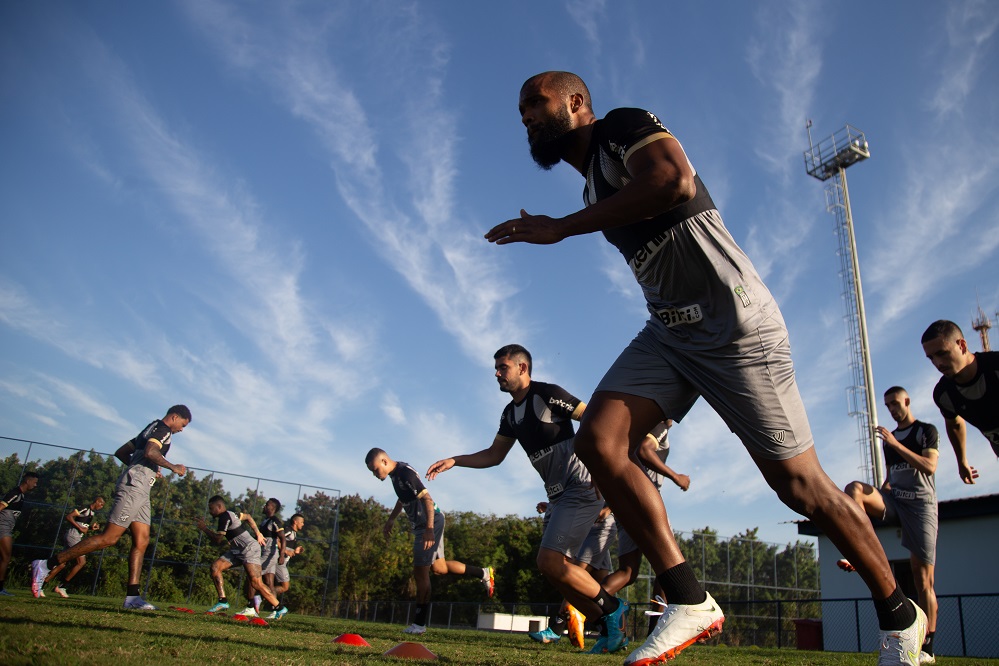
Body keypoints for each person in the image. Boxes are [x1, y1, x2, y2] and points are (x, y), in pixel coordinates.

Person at [485, 71, 925, 665]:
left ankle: (900, 616)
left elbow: (673, 180)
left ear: (577, 103)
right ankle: (689, 600)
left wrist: (561, 229)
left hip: (734, 323)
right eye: (521, 110)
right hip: (670, 332)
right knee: (599, 439)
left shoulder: (622, 127)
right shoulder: (592, 187)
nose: (526, 117)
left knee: (802, 488)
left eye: (535, 104)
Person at [426, 344, 630, 654]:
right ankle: (606, 627)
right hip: (559, 495)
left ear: (522, 368)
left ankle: (613, 609)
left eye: (502, 367)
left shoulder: (547, 394)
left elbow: (593, 419)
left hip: (582, 486)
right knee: (550, 568)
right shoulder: (510, 414)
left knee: (550, 561)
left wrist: (602, 471)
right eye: (496, 368)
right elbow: (494, 455)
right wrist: (455, 460)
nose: (497, 373)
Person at [30, 405, 191, 609]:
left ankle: (132, 598)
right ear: (175, 417)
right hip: (135, 486)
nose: (182, 430)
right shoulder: (164, 430)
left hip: (141, 488)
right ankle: (46, 564)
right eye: (182, 425)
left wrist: (143, 467)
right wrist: (172, 467)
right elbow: (151, 451)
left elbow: (122, 452)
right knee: (109, 538)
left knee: (142, 541)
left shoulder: (150, 428)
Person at [843, 387, 940, 664]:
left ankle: (927, 648)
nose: (892, 409)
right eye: (887, 405)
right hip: (896, 501)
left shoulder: (925, 431)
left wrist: (896, 443)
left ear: (907, 401)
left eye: (895, 403)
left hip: (921, 506)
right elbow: (891, 476)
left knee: (923, 580)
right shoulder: (890, 440)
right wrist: (882, 492)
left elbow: (929, 466)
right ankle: (858, 548)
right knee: (856, 489)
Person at [366, 448, 494, 635]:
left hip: (427, 524)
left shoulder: (405, 473)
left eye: (375, 470)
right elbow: (403, 498)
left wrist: (428, 530)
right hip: (428, 524)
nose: (375, 475)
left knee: (420, 572)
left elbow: (427, 499)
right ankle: (483, 573)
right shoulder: (396, 474)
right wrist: (391, 518)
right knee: (439, 568)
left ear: (384, 461)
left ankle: (419, 624)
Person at [921, 319, 998, 484]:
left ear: (962, 345)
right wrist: (962, 461)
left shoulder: (995, 367)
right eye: (931, 358)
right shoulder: (944, 394)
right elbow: (954, 424)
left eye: (942, 353)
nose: (937, 363)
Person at [197, 495, 289, 620]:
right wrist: (258, 533)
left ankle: (279, 607)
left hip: (249, 549)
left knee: (256, 582)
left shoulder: (224, 517)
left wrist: (204, 529)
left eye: (211, 508)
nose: (210, 511)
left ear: (219, 507)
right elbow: (249, 517)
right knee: (215, 568)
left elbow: (217, 539)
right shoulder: (232, 514)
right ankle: (223, 601)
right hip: (237, 550)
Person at [43, 496, 106, 598]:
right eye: (101, 504)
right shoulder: (85, 508)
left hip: (76, 537)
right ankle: (62, 586)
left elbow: (83, 526)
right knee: (81, 562)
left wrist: (90, 528)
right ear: (97, 501)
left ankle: (42, 585)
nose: (101, 507)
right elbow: (69, 517)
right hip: (72, 536)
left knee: (62, 563)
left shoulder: (92, 513)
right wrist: (80, 527)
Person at [0, 471, 40, 596]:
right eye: (35, 482)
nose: (35, 485)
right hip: (2, 528)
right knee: (5, 557)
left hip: (6, 528)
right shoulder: (15, 493)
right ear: (28, 481)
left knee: (4, 557)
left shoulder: (21, 495)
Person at [258, 498, 285, 599]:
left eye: (267, 504)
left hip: (269, 553)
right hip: (264, 552)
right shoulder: (265, 521)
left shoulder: (275, 521)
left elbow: (283, 538)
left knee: (253, 575)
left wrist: (282, 555)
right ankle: (277, 609)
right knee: (269, 583)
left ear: (273, 508)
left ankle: (251, 606)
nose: (264, 506)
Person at [273, 513, 304, 597]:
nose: (303, 524)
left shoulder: (294, 533)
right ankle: (261, 595)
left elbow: (287, 546)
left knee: (274, 585)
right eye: (301, 522)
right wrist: (286, 551)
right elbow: (276, 540)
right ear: (295, 522)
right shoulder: (288, 530)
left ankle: (274, 607)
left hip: (282, 563)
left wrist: (295, 550)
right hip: (279, 562)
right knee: (285, 587)